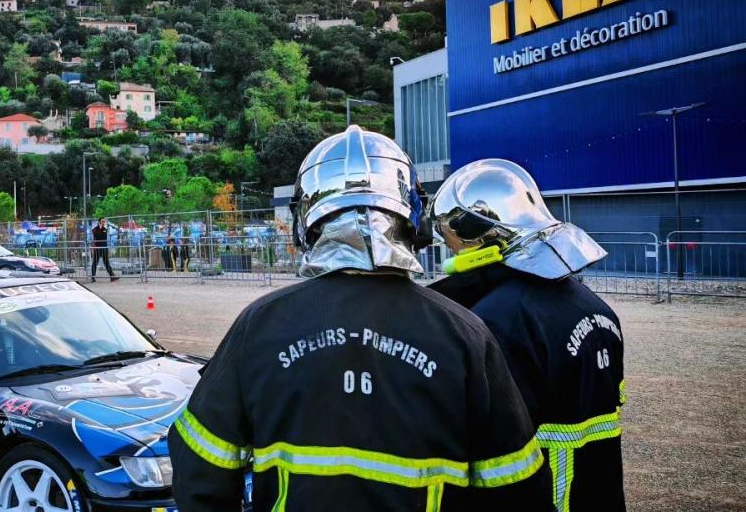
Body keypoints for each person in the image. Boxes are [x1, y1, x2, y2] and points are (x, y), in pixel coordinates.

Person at [168, 126, 550, 511]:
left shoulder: (259, 325)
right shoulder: (465, 334)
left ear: (307, 219)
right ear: (411, 217)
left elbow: (199, 462)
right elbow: (516, 487)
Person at [430, 159, 625, 511]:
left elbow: (487, 437)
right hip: (600, 493)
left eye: (451, 243)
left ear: (479, 236)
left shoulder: (496, 320)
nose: (451, 255)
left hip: (543, 495)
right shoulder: (598, 309)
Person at [89, 217, 118, 282]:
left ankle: (112, 276)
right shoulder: (95, 229)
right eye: (102, 221)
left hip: (104, 248)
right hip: (97, 248)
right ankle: (93, 277)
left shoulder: (105, 229)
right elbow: (97, 236)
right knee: (95, 263)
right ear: (99, 222)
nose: (103, 223)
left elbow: (103, 237)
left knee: (107, 263)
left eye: (104, 221)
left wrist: (101, 229)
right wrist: (100, 228)